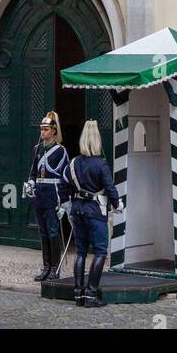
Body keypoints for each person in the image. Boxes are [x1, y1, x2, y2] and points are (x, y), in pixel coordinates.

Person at [68, 119, 120, 307]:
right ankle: (91, 294)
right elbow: (110, 187)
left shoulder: (73, 163)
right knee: (100, 251)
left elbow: (66, 185)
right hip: (95, 211)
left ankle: (78, 293)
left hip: (77, 210)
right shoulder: (100, 164)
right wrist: (117, 203)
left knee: (81, 251)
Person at [24, 110, 70, 282]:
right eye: (41, 129)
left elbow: (64, 175)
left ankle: (54, 268)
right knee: (42, 231)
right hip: (39, 194)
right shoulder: (37, 149)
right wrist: (30, 183)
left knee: (52, 230)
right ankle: (46, 266)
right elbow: (33, 171)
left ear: (53, 131)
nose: (42, 132)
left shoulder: (60, 151)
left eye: (46, 129)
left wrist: (64, 200)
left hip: (53, 194)